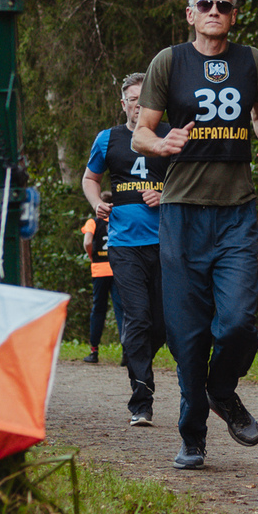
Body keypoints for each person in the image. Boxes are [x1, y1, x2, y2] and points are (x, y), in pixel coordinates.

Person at [134, 0, 258, 469]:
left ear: (233, 15)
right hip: (181, 213)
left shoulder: (251, 61)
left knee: (239, 323)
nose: (214, 11)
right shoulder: (169, 62)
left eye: (223, 5)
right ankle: (192, 435)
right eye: (205, 5)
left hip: (236, 210)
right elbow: (141, 134)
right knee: (188, 334)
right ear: (190, 14)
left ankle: (222, 390)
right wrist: (163, 144)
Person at [82, 73, 170, 425]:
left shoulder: (169, 135)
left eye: (145, 99)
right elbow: (90, 178)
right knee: (137, 319)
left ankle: (138, 355)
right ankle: (141, 400)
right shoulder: (108, 139)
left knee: (161, 325)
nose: (139, 105)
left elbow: (190, 180)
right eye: (133, 99)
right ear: (124, 104)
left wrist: (165, 194)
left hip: (165, 242)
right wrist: (96, 204)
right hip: (124, 245)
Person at [78, 212, 119, 363]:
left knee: (98, 310)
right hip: (117, 269)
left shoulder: (93, 222)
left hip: (99, 270)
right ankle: (128, 353)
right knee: (121, 309)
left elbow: (87, 242)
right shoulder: (118, 219)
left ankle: (94, 351)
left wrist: (92, 256)